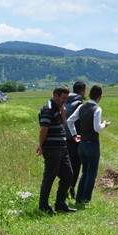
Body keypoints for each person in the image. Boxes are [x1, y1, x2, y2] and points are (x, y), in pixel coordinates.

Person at [67, 84, 110, 204]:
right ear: (100, 97)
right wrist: (104, 125)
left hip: (82, 144)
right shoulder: (97, 109)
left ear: (89, 95)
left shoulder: (82, 107)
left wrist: (74, 135)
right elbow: (97, 128)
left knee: (85, 172)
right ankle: (86, 199)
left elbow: (70, 121)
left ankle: (79, 198)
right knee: (91, 173)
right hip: (92, 145)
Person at [37, 85, 76, 214]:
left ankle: (60, 204)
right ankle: (43, 205)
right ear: (55, 96)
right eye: (63, 98)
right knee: (50, 176)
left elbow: (62, 125)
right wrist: (41, 145)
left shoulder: (59, 108)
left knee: (68, 175)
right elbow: (44, 129)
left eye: (66, 98)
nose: (65, 100)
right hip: (52, 148)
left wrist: (63, 113)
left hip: (61, 148)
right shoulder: (48, 109)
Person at [63, 81, 86, 205]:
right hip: (75, 139)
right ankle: (71, 189)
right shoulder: (79, 104)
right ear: (82, 91)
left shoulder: (65, 101)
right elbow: (79, 122)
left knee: (67, 165)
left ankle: (65, 188)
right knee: (76, 166)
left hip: (64, 138)